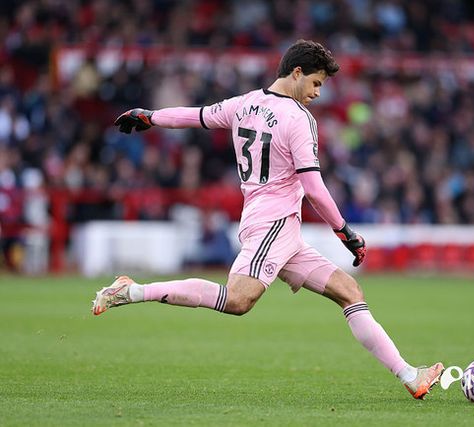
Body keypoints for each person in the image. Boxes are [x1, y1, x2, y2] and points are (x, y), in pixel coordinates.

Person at [92, 40, 443, 400]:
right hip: (272, 225)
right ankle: (132, 291)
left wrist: (149, 115)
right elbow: (314, 188)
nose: (317, 93)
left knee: (349, 291)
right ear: (296, 73)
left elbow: (193, 116)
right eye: (316, 83)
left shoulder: (243, 104)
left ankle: (410, 375)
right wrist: (345, 231)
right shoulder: (298, 119)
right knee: (238, 300)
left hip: (278, 227)